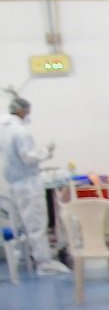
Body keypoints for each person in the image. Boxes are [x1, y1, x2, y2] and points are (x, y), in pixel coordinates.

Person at [2, 96, 62, 276]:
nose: (28, 115)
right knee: (36, 224)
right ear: (21, 111)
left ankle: (23, 257)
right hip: (28, 184)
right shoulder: (20, 132)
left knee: (21, 224)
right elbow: (28, 158)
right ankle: (44, 263)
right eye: (27, 112)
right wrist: (45, 153)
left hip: (14, 183)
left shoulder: (4, 130)